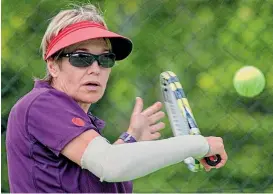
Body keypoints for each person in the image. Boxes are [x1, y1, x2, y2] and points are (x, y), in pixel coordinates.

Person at [6, 3, 228, 193]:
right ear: (53, 65)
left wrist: (131, 138)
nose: (95, 68)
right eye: (81, 57)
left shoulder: (74, 117)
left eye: (105, 59)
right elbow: (110, 165)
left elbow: (98, 172)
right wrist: (200, 145)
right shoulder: (41, 104)